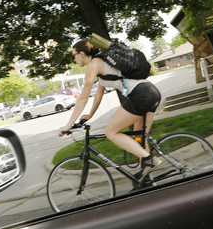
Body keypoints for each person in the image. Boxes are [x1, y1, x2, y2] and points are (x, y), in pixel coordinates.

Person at [58, 40, 162, 179]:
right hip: (151, 92)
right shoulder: (103, 65)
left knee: (111, 132)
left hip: (140, 95)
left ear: (81, 54)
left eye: (73, 56)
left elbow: (83, 97)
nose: (74, 59)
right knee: (139, 139)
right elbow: (97, 97)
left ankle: (149, 161)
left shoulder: (94, 65)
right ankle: (147, 178)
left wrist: (68, 125)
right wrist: (89, 115)